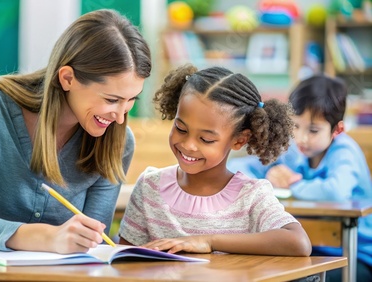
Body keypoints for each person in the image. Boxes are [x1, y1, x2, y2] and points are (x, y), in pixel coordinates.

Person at [0, 9, 152, 254]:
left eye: (131, 100)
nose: (121, 117)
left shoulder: (118, 142)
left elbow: (91, 246)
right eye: (111, 100)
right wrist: (48, 237)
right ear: (67, 78)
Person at [118, 65, 311, 257]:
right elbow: (124, 259)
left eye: (206, 139)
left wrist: (209, 241)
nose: (189, 145)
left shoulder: (251, 196)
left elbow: (299, 243)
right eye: (181, 129)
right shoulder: (149, 187)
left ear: (239, 140)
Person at [228, 74, 372, 281]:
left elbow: (335, 191)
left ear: (338, 129)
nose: (302, 138)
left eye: (313, 130)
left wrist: (293, 182)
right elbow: (237, 167)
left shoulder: (345, 151)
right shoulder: (296, 150)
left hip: (357, 254)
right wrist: (269, 178)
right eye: (295, 126)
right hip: (312, 248)